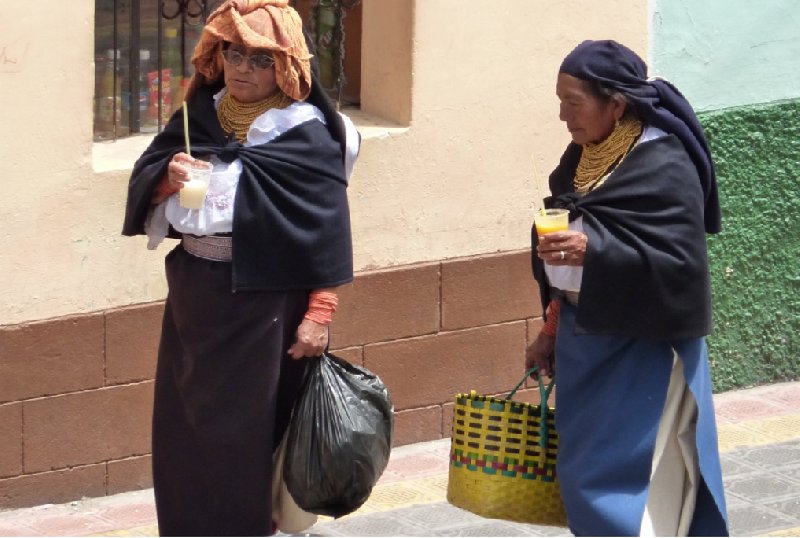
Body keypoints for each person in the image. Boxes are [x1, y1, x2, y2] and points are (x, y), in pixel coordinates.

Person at [122, 1, 360, 535]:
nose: (243, 68)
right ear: (217, 55)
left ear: (287, 66)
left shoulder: (306, 133)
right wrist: (167, 175)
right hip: (194, 300)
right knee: (186, 428)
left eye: (260, 58)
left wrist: (319, 313)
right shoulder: (196, 116)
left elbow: (327, 231)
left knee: (246, 435)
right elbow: (147, 180)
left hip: (266, 307)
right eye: (234, 53)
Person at [525, 40, 729, 536]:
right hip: (585, 342)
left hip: (645, 354)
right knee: (583, 477)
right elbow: (571, 254)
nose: (562, 115)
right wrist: (551, 327)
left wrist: (594, 253)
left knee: (641, 484)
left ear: (615, 104)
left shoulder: (664, 162)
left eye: (573, 102)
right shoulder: (584, 155)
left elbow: (680, 265)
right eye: (559, 100)